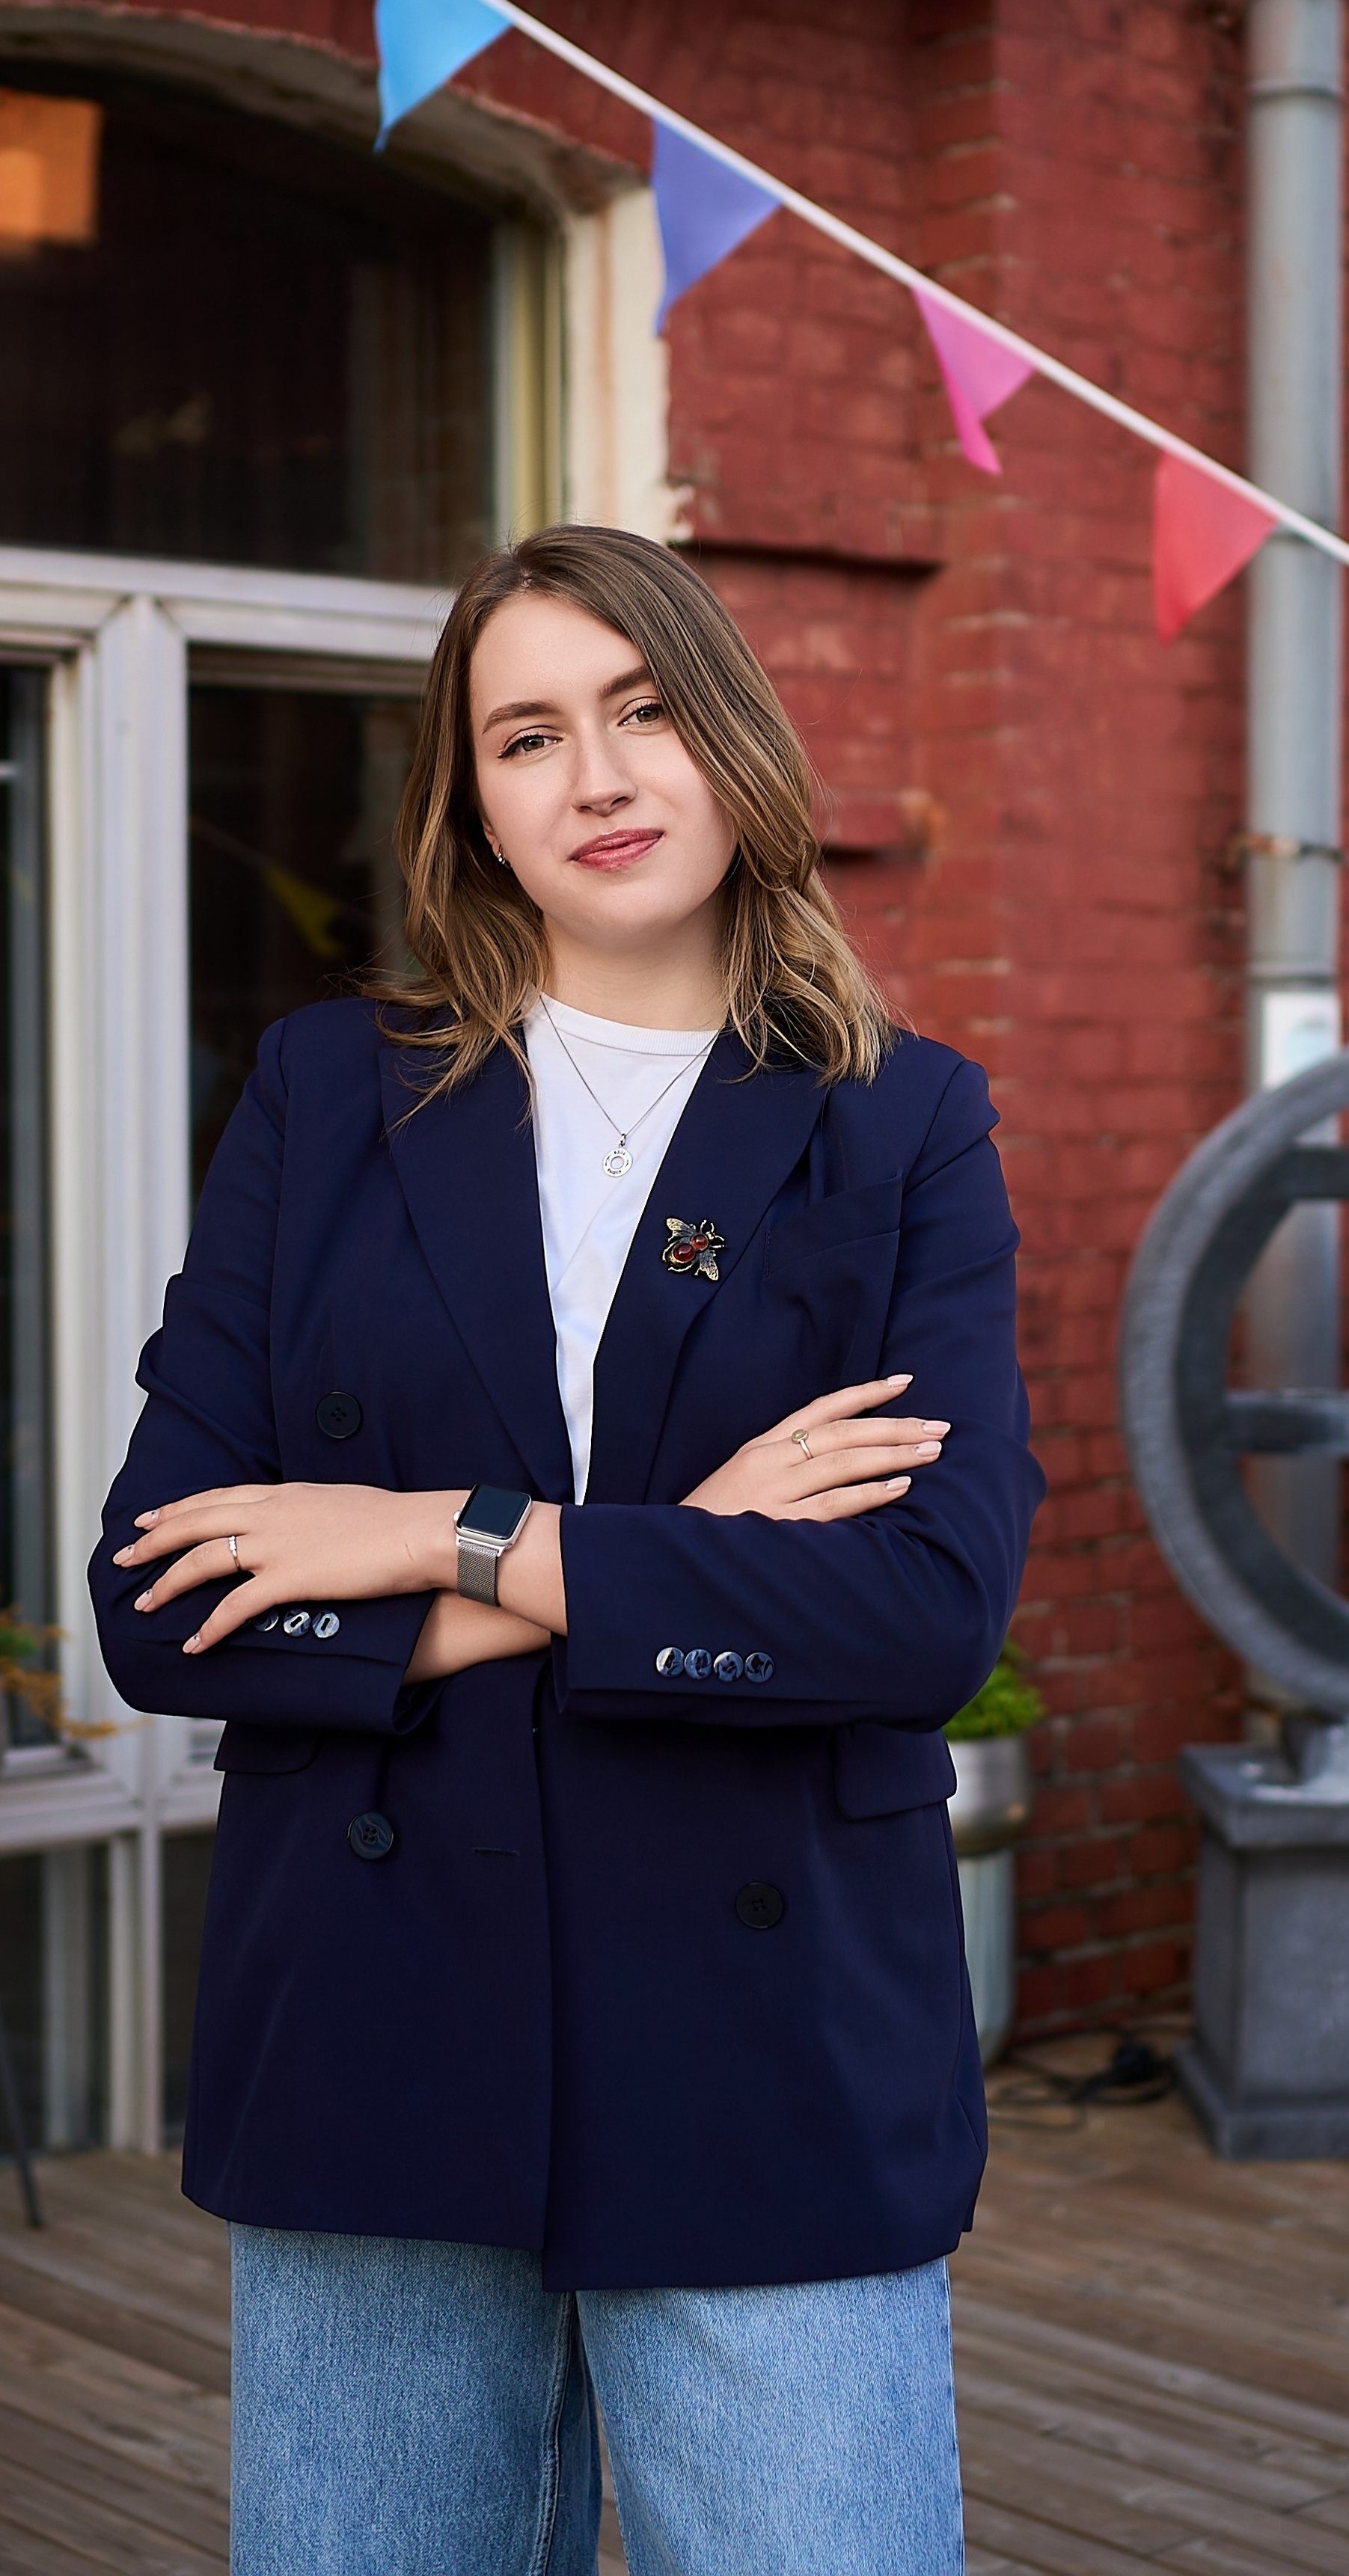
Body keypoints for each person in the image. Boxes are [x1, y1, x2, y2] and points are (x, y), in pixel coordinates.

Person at [91, 526, 1044, 2576]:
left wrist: (446, 1535)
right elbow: (160, 1603)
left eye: (640, 711)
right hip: (378, 2035)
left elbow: (920, 1613)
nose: (596, 776)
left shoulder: (900, 1126)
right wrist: (676, 1557)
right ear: (475, 813)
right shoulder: (333, 1097)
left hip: (770, 2065)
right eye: (527, 737)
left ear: (733, 743)